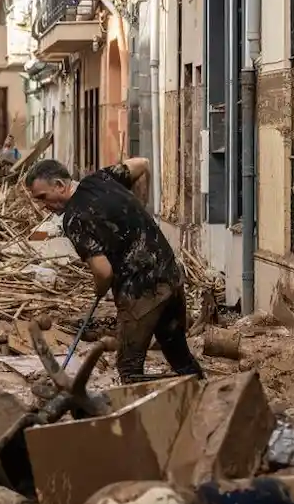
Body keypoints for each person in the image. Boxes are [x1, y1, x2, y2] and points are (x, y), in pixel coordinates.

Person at [24, 158, 203, 384]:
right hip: (170, 276)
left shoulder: (74, 218)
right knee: (178, 354)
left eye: (42, 197)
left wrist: (100, 289)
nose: (42, 205)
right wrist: (139, 205)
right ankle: (211, 399)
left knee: (129, 369)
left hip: (140, 293)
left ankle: (142, 416)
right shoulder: (102, 178)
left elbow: (103, 271)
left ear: (60, 185)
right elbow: (142, 163)